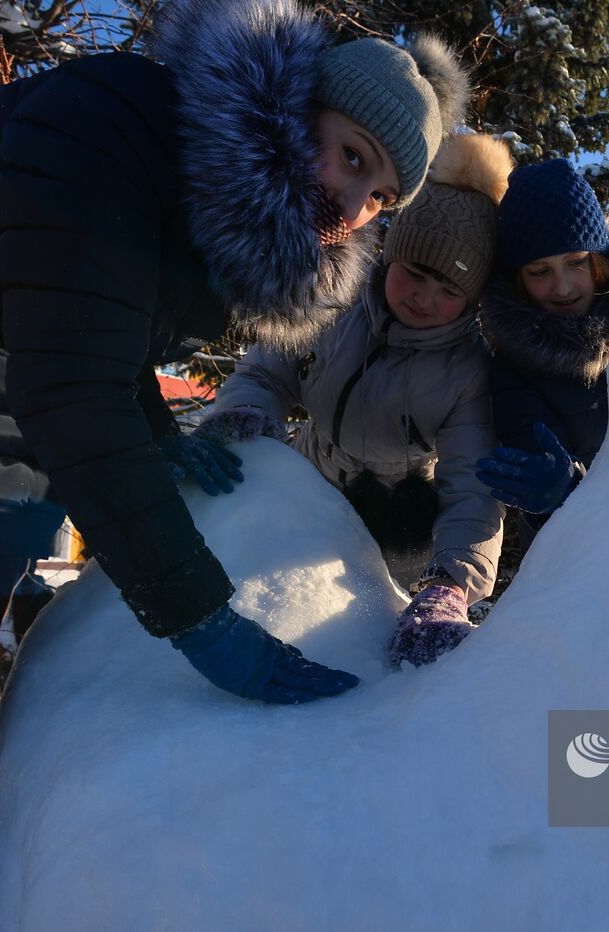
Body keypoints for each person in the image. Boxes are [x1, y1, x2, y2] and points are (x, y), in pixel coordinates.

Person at [0, 0, 469, 924]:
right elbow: (73, 383)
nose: (352, 203)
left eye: (377, 193)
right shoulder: (112, 124)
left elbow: (108, 330)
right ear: (292, 109)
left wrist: (157, 431)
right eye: (349, 155)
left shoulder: (211, 205)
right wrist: (201, 620)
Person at [197, 133, 512, 668]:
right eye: (415, 275)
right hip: (310, 489)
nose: (425, 298)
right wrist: (246, 412)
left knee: (364, 646)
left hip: (402, 527)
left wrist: (450, 583)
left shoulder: (466, 371)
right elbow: (269, 369)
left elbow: (473, 488)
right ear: (392, 256)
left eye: (450, 289)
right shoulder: (335, 300)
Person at [475, 159, 609, 544]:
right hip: (583, 558)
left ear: (600, 262)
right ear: (518, 280)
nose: (563, 288)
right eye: (540, 271)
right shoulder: (515, 367)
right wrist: (562, 491)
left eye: (576, 263)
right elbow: (531, 452)